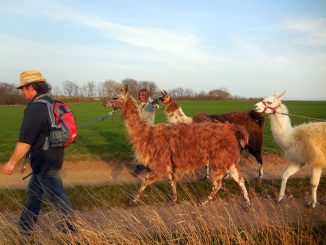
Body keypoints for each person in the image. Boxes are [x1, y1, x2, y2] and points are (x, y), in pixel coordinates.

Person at [1, 70, 75, 234]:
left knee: (58, 197)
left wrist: (11, 163)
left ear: (32, 87)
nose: (22, 92)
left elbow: (24, 142)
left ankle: (72, 231)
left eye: (23, 88)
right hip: (53, 158)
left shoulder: (35, 108)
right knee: (34, 193)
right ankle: (25, 227)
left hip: (44, 162)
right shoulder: (53, 103)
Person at [134, 88, 156, 175]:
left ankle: (141, 167)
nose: (140, 97)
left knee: (143, 149)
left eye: (142, 95)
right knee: (145, 150)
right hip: (140, 130)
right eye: (139, 95)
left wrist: (142, 128)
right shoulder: (140, 105)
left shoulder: (150, 105)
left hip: (147, 130)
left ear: (146, 96)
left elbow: (149, 119)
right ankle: (149, 166)